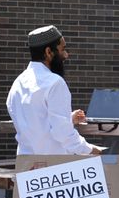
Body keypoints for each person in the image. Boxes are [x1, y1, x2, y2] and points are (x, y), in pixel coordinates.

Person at [6, 25, 102, 155]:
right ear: (48, 52)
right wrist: (91, 150)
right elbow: (62, 133)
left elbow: (36, 122)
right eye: (63, 49)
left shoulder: (18, 83)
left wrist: (68, 119)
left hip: (26, 166)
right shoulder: (55, 83)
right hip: (53, 167)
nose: (66, 55)